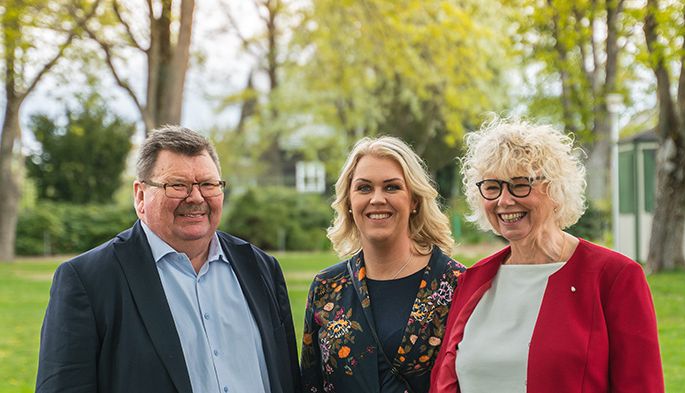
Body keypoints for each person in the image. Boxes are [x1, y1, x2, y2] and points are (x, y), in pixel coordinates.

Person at [36, 125, 301, 393]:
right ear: (140, 196)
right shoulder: (89, 281)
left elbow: (287, 378)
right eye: (178, 185)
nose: (196, 197)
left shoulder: (260, 268)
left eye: (208, 184)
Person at [430, 119, 664, 393]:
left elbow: (641, 386)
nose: (504, 201)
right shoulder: (473, 280)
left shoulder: (614, 278)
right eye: (492, 187)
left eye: (520, 184)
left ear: (555, 189)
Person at [300, 136, 466, 393]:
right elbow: (310, 385)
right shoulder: (326, 288)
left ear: (414, 201)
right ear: (349, 203)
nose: (377, 199)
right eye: (364, 188)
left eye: (391, 187)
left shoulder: (455, 283)